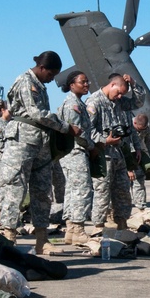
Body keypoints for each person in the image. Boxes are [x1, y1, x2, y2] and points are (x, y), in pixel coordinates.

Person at [0, 52, 77, 254]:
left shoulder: (40, 85)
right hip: (21, 142)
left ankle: (42, 238)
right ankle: (9, 237)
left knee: (42, 192)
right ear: (42, 68)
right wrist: (65, 127)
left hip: (40, 144)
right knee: (15, 190)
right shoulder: (25, 81)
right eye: (51, 74)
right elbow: (36, 113)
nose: (51, 78)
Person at [87, 73, 145, 232]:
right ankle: (98, 227)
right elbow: (88, 130)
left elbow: (138, 102)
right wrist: (105, 140)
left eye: (122, 94)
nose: (120, 97)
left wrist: (133, 84)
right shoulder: (94, 102)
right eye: (118, 92)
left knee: (123, 190)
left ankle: (122, 223)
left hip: (120, 154)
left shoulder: (120, 102)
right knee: (102, 191)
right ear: (112, 85)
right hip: (103, 154)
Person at [57, 71, 95, 245]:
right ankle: (78, 229)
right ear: (72, 85)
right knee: (82, 189)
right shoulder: (73, 104)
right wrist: (92, 146)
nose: (86, 85)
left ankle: (71, 230)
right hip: (75, 151)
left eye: (87, 81)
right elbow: (77, 131)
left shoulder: (78, 103)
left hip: (74, 152)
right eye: (82, 82)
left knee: (72, 191)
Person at [130, 112, 150, 212]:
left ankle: (141, 206)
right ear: (135, 123)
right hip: (123, 155)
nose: (141, 131)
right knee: (122, 183)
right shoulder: (127, 125)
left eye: (143, 129)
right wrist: (129, 169)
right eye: (139, 129)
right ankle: (113, 210)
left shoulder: (147, 128)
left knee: (140, 179)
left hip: (138, 154)